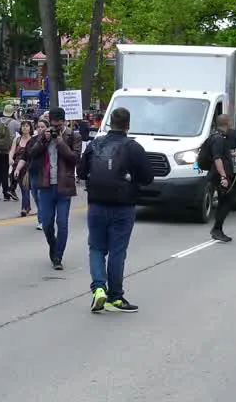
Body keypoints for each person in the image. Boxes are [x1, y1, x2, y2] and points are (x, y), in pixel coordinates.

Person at [79, 107, 153, 313]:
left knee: (96, 248)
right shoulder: (133, 147)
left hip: (96, 204)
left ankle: (99, 288)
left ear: (110, 122)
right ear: (128, 125)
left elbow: (82, 172)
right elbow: (148, 177)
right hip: (123, 206)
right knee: (117, 252)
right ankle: (116, 297)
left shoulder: (95, 144)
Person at [23, 107, 82, 270]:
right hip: (46, 185)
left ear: (63, 122)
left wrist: (60, 142)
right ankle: (53, 245)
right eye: (53, 125)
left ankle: (58, 257)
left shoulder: (73, 136)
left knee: (62, 223)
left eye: (58, 125)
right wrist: (44, 140)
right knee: (47, 223)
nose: (55, 128)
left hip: (64, 186)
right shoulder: (43, 136)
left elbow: (74, 158)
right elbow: (31, 154)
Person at [208, 114, 236, 243]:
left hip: (221, 174)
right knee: (228, 200)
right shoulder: (218, 138)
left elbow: (223, 153)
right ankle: (217, 229)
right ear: (227, 123)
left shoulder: (219, 137)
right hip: (220, 175)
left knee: (226, 201)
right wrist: (223, 176)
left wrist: (235, 154)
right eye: (229, 122)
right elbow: (217, 158)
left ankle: (218, 229)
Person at [10, 119, 36, 218]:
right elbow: (12, 151)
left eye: (27, 126)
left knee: (25, 188)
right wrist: (10, 159)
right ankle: (27, 206)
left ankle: (24, 208)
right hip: (17, 167)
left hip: (28, 167)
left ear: (30, 128)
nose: (25, 128)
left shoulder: (33, 140)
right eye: (23, 126)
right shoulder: (17, 139)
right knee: (22, 188)